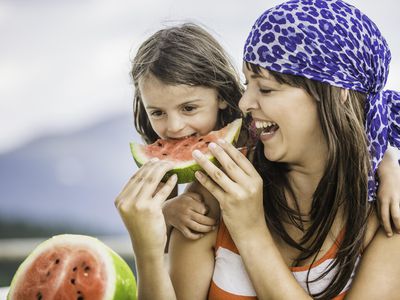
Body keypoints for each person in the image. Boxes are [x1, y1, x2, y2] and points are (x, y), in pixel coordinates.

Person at [115, 2, 400, 298]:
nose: (243, 103)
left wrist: (250, 231)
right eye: (247, 83)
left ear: (338, 92)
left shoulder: (388, 215)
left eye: (265, 88)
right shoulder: (216, 191)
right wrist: (147, 251)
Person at [128, 22, 252, 241]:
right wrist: (165, 213)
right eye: (157, 113)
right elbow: (163, 257)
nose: (174, 126)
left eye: (189, 108)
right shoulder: (161, 172)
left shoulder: (255, 148)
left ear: (221, 95)